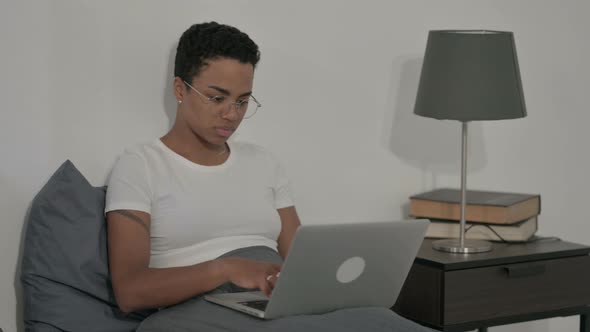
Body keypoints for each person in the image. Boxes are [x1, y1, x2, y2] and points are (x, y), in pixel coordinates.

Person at [106, 22, 434, 331]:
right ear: (180, 88)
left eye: (243, 101)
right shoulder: (141, 165)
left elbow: (301, 261)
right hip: (198, 306)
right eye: (217, 98)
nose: (231, 114)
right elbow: (131, 291)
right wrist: (228, 268)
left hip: (270, 301)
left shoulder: (263, 163)